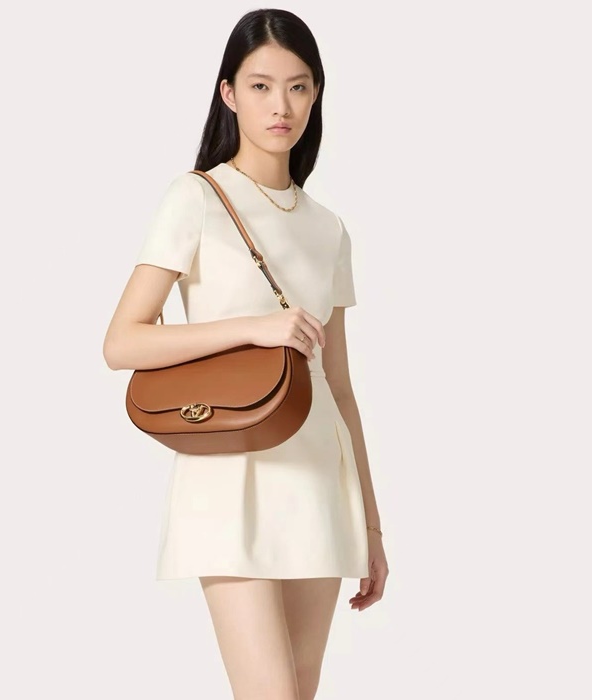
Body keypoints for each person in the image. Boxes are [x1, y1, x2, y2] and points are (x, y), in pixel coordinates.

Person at [103, 8, 388, 699]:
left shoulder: (329, 229)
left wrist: (372, 527)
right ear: (228, 93)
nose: (280, 106)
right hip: (228, 477)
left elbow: (340, 387)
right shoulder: (196, 197)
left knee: (299, 691)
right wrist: (252, 329)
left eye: (297, 86)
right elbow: (122, 342)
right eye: (260, 86)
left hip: (318, 482)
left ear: (316, 95)